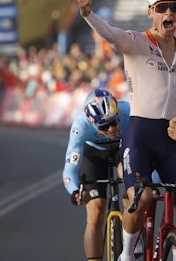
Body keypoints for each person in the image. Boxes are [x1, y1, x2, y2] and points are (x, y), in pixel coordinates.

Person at [76, 0, 176, 261]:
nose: (168, 13)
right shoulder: (136, 42)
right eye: (162, 8)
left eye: (174, 7)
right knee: (141, 198)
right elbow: (109, 34)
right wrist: (87, 12)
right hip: (140, 136)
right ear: (151, 12)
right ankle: (127, 255)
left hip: (173, 139)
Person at [62, 88, 130, 261]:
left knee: (129, 180)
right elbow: (70, 168)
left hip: (121, 150)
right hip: (93, 155)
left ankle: (134, 235)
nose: (112, 129)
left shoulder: (127, 111)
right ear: (92, 123)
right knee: (96, 213)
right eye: (104, 126)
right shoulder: (80, 125)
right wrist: (75, 191)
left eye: (114, 122)